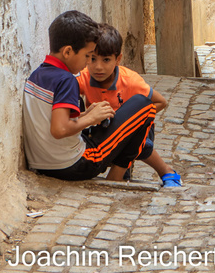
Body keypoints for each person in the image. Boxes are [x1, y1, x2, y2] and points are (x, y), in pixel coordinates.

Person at [23, 10, 156, 182]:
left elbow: (53, 119)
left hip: (41, 163)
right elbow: (59, 129)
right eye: (87, 56)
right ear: (68, 52)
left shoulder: (37, 75)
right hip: (75, 165)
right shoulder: (67, 80)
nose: (88, 63)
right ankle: (116, 177)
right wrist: (90, 118)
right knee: (144, 105)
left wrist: (85, 114)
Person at [76, 23, 181, 187]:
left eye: (106, 60)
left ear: (118, 59)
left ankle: (167, 172)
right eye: (92, 59)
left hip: (136, 127)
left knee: (142, 145)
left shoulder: (131, 81)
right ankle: (122, 172)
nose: (98, 67)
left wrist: (130, 119)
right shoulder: (85, 77)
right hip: (103, 128)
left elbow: (161, 101)